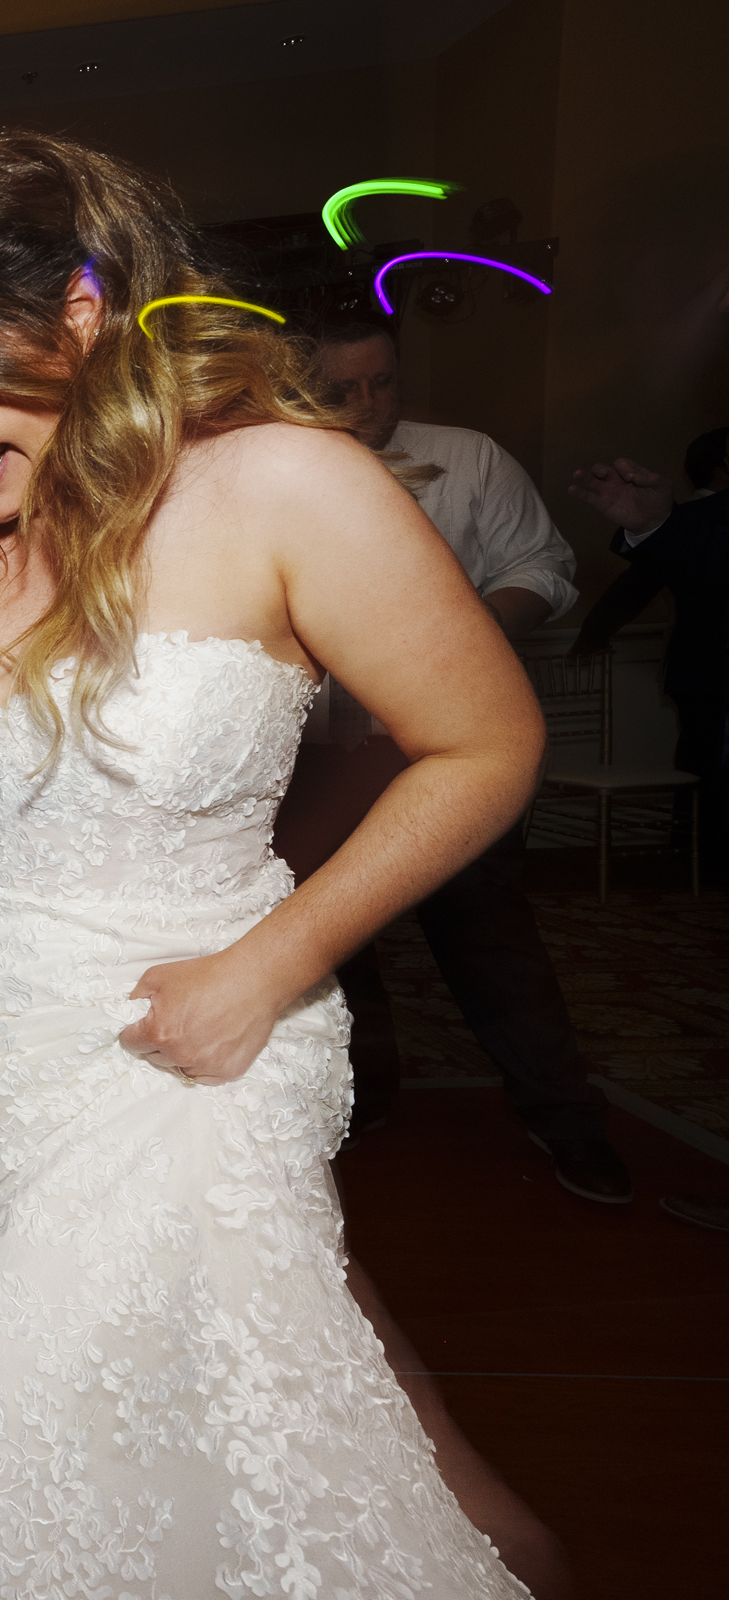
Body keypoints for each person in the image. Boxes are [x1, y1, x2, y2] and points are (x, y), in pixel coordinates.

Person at [0, 131, 552, 1596]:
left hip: (183, 1057)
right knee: (119, 1466)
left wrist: (267, 970)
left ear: (77, 317)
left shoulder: (283, 483)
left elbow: (488, 747)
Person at [271, 316, 630, 1204]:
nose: (368, 404)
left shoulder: (467, 458)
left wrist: (460, 636)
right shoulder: (276, 466)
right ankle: (364, 1101)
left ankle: (567, 1122)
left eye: (382, 382)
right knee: (333, 948)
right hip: (314, 759)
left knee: (491, 944)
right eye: (344, 389)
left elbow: (543, 565)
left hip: (445, 752)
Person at [566, 432, 728, 882]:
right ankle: (698, 859)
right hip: (705, 673)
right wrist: (593, 633)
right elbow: (641, 582)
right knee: (705, 766)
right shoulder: (699, 519)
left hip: (698, 672)